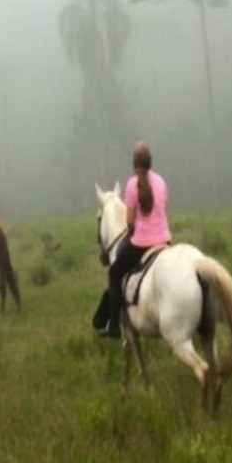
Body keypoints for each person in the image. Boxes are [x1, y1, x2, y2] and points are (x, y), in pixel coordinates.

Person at [97, 141, 172, 339]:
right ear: (150, 162)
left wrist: (135, 230)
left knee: (114, 273)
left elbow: (130, 222)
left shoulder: (132, 185)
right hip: (165, 241)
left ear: (134, 163)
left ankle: (113, 325)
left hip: (141, 244)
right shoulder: (161, 182)